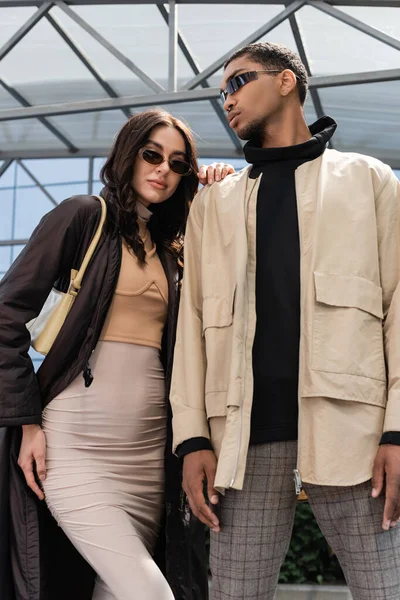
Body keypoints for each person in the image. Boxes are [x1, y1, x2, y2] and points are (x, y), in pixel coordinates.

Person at [170, 42, 400, 600]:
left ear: (287, 81)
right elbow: (191, 328)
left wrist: (397, 429)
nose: (227, 99)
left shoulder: (370, 181)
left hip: (354, 433)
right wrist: (192, 438)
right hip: (241, 440)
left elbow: (398, 310)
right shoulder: (214, 203)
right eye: (220, 90)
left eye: (238, 82)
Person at [0, 108, 234, 600]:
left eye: (177, 163)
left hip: (149, 454)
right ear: (129, 156)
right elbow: (6, 316)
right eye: (151, 155)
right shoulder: (84, 216)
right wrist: (26, 423)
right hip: (75, 447)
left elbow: (223, 307)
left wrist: (215, 197)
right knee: (152, 594)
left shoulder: (173, 248)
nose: (162, 170)